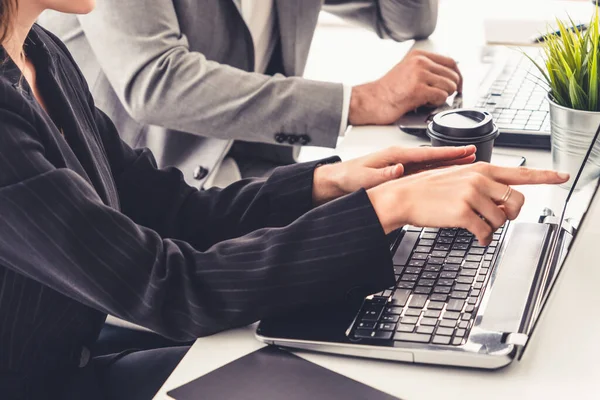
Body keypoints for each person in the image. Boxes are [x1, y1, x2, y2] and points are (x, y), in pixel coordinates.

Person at [0, 1, 569, 399]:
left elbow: (179, 213)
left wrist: (336, 183)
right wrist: (387, 209)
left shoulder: (42, 53)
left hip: (71, 366)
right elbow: (165, 286)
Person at [38, 1, 463, 187]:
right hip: (151, 190)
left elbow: (407, 19)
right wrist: (359, 102)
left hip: (256, 171)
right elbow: (155, 80)